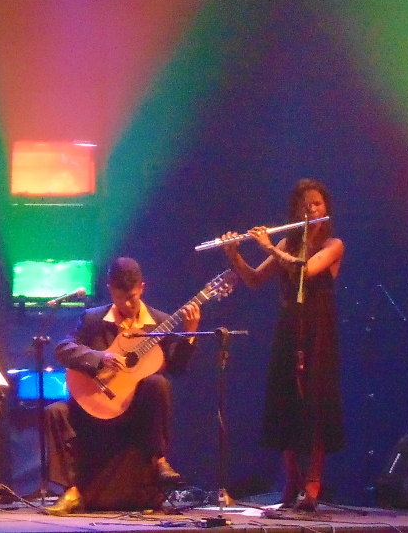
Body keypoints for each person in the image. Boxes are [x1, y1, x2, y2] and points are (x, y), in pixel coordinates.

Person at [220, 178, 344, 511]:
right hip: (289, 327)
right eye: (305, 205)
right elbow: (254, 279)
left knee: (316, 400)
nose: (311, 209)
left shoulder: (333, 244)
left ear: (325, 208)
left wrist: (269, 247)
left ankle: (314, 481)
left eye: (316, 204)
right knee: (284, 400)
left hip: (318, 329)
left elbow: (306, 271)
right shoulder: (288, 243)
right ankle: (292, 479)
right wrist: (234, 253)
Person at [44, 257, 200, 515]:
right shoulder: (93, 319)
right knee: (55, 411)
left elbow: (177, 368)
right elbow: (64, 348)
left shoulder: (159, 323)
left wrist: (190, 333)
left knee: (157, 383)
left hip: (135, 413)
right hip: (97, 404)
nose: (127, 304)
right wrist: (100, 357)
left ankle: (159, 459)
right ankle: (71, 492)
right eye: (120, 298)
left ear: (142, 288)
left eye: (132, 297)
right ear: (110, 290)